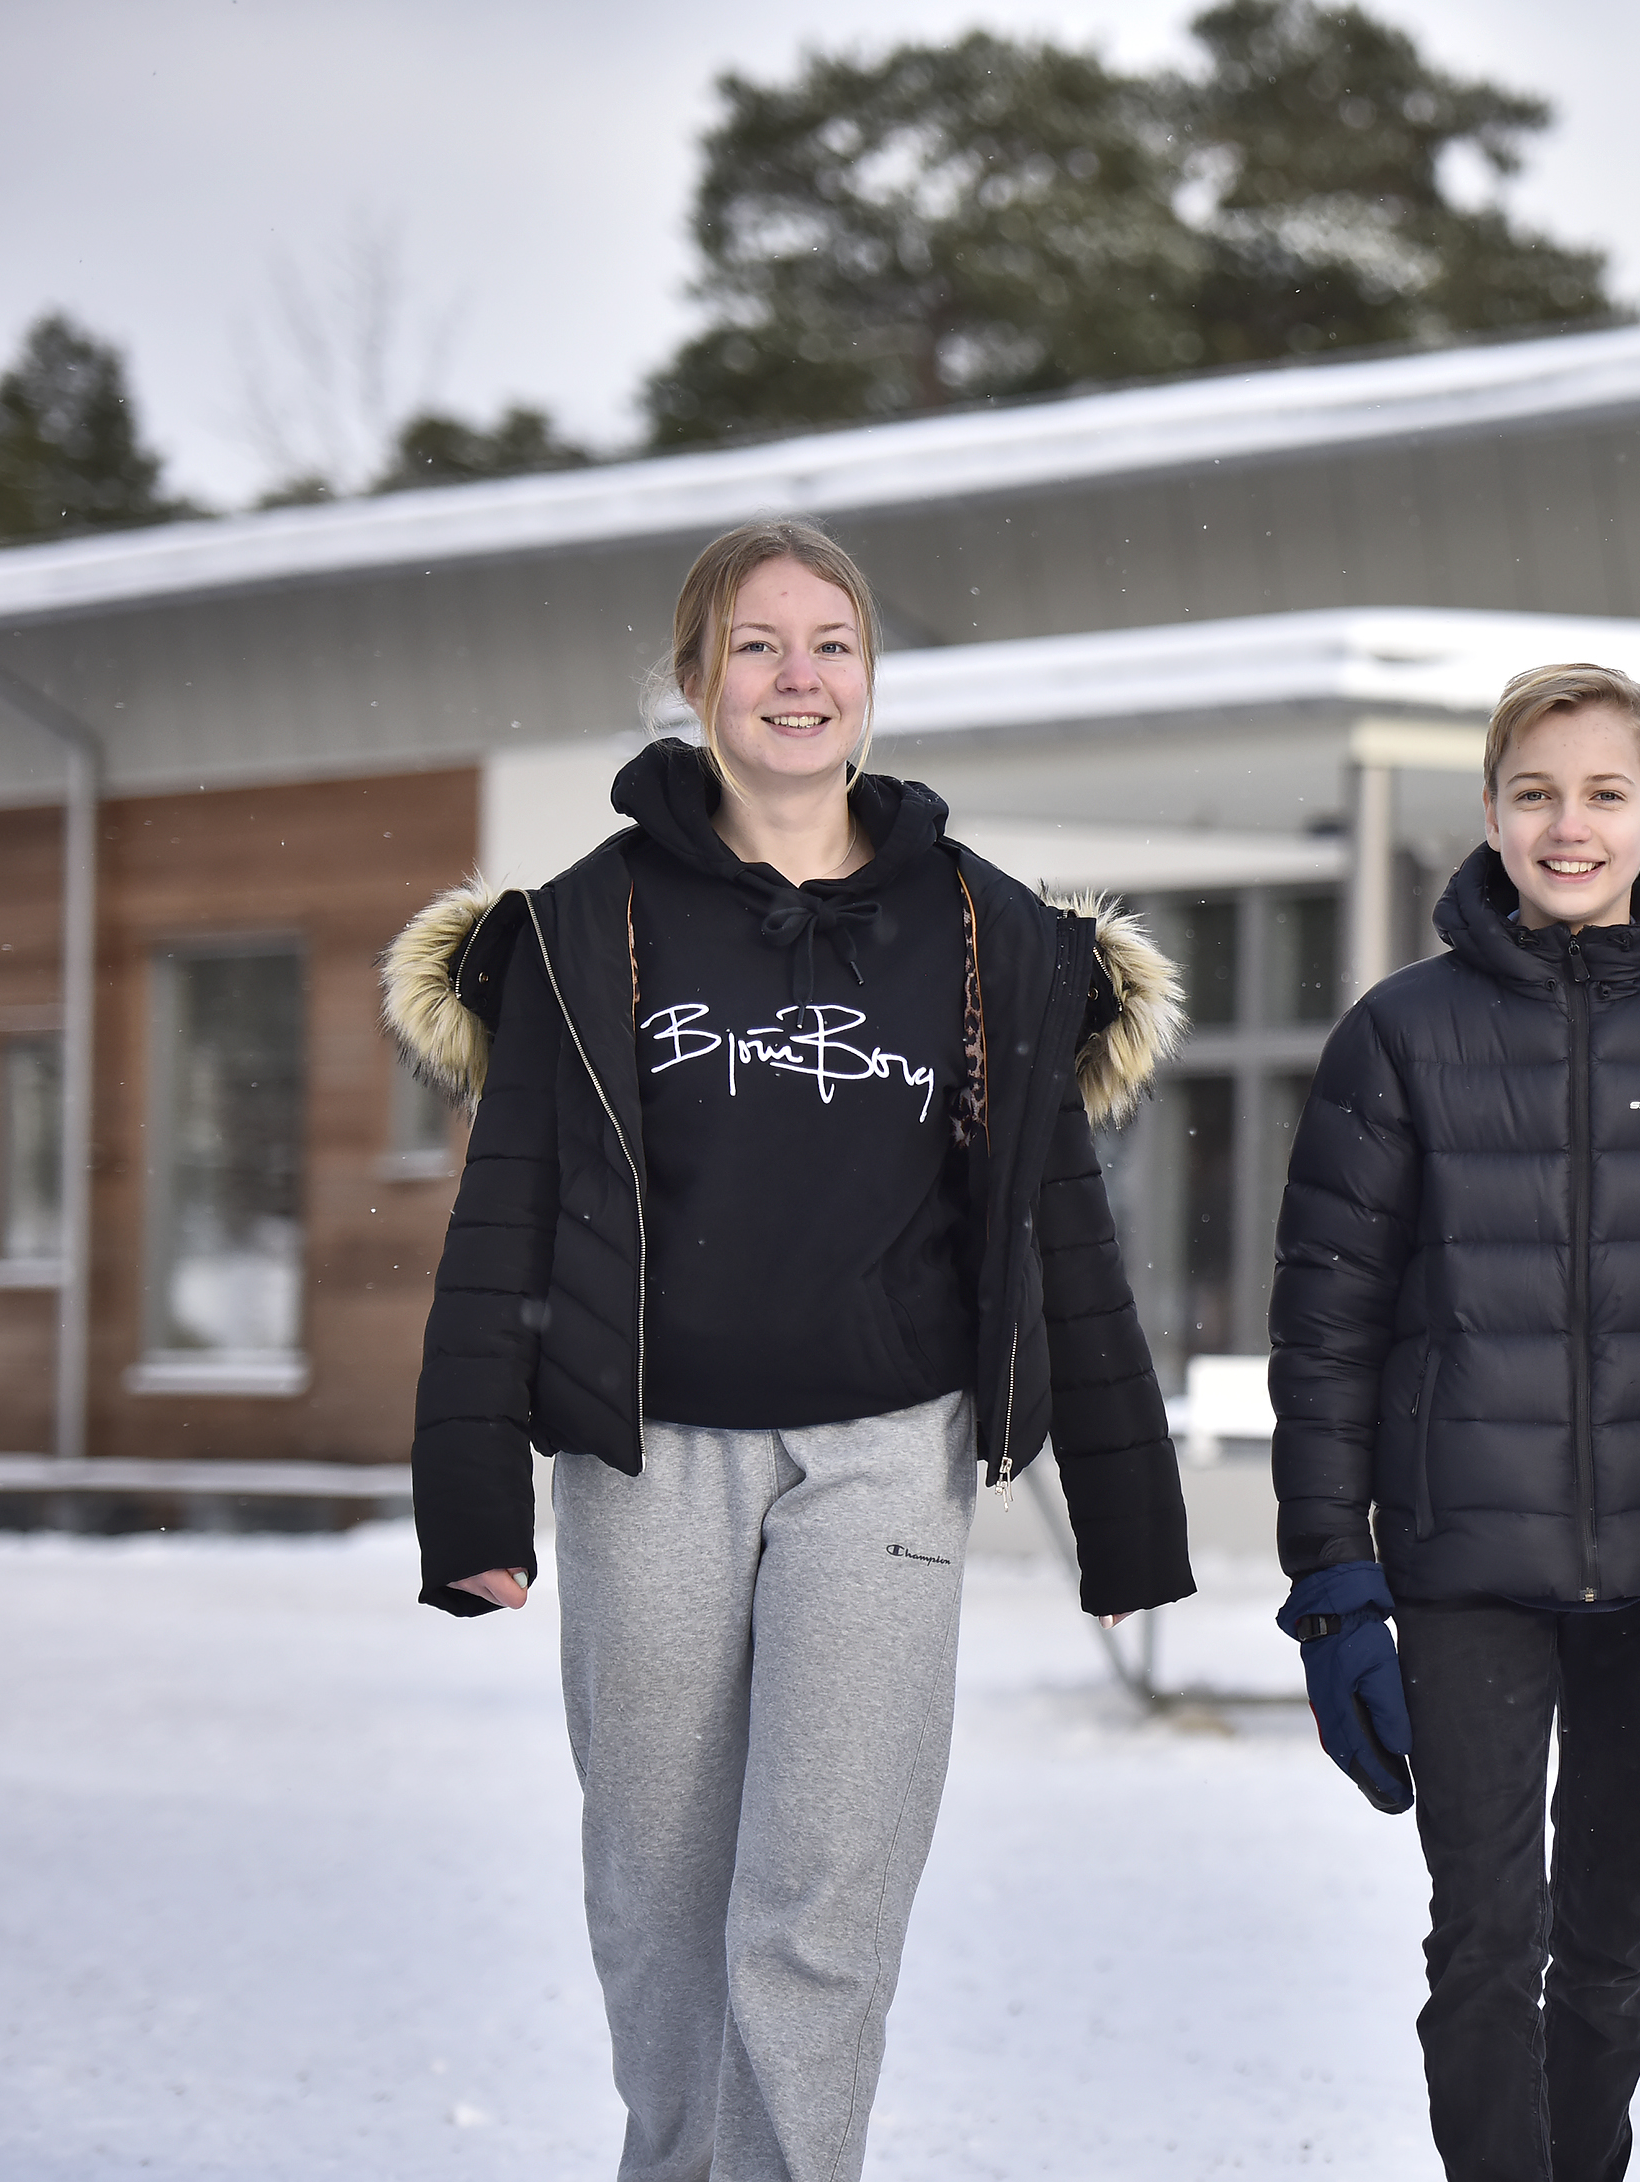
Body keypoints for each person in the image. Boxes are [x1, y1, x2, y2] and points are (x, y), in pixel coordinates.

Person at [381, 517, 1194, 2182]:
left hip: (888, 1453)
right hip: (646, 1458)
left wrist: (1128, 1515)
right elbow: (506, 1211)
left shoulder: (986, 932)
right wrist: (468, 1496)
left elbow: (1059, 1224)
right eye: (757, 644)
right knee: (658, 1889)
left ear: (870, 680)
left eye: (832, 643)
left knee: (825, 1893)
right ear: (695, 680)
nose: (797, 676)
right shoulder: (585, 924)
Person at [1267, 663, 1640, 2182]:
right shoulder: (1399, 1035)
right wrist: (1332, 1579)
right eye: (1536, 793)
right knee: (1485, 1937)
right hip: (1462, 1558)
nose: (1569, 825)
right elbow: (1326, 1330)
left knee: (1613, 1939)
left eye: (1605, 793)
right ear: (1489, 814)